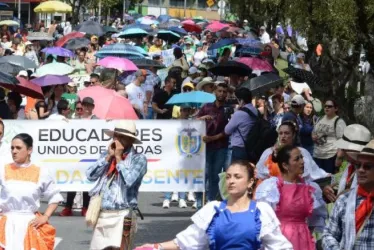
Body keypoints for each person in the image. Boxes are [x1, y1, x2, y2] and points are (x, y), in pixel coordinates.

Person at [137, 160, 293, 250]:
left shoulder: (261, 211)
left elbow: (280, 246)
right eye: (229, 177)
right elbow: (185, 242)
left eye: (237, 177)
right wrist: (155, 247)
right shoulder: (213, 210)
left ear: (250, 182)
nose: (231, 181)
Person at [86, 121, 147, 250]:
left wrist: (119, 158)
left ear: (130, 140)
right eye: (115, 136)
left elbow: (129, 181)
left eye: (121, 137)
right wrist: (108, 157)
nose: (116, 140)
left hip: (123, 215)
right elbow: (90, 175)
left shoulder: (139, 159)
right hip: (103, 214)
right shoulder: (107, 155)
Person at [256, 145, 327, 250]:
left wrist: (304, 233)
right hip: (278, 239)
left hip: (303, 239)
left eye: (302, 157)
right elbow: (263, 219)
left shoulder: (310, 188)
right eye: (297, 159)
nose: (302, 162)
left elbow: (315, 219)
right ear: (285, 165)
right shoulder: (271, 187)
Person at [0, 133, 63, 249]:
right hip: (6, 223)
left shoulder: (40, 171)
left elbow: (55, 196)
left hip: (29, 223)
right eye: (12, 148)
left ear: (29, 150)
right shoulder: (3, 169)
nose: (14, 151)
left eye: (18, 148)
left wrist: (45, 216)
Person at [323, 140, 374, 249]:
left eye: (367, 167)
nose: (360, 170)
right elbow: (329, 235)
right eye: (358, 165)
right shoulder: (344, 200)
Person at [256, 121, 329, 182]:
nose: (283, 136)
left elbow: (314, 171)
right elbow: (259, 172)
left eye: (286, 133)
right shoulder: (268, 152)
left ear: (293, 135)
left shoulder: (302, 152)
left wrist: (326, 175)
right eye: (280, 133)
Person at [196, 83, 229, 206]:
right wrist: (202, 117)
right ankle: (199, 201)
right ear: (215, 92)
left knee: (215, 176)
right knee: (203, 175)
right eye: (219, 91)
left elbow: (227, 131)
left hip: (220, 146)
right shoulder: (207, 107)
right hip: (205, 146)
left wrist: (213, 138)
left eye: (224, 91)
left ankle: (211, 201)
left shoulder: (228, 109)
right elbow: (195, 121)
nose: (221, 94)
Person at [312, 99, 346, 174]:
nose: (327, 108)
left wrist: (339, 158)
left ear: (336, 108)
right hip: (317, 155)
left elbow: (342, 141)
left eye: (329, 106)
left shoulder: (339, 121)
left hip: (330, 156)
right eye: (325, 106)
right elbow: (314, 131)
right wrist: (313, 136)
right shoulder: (320, 119)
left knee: (328, 180)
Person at [225, 88, 258, 162]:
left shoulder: (239, 114)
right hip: (252, 147)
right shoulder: (256, 111)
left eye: (237, 99)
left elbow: (227, 130)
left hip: (239, 148)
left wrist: (235, 114)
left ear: (242, 101)